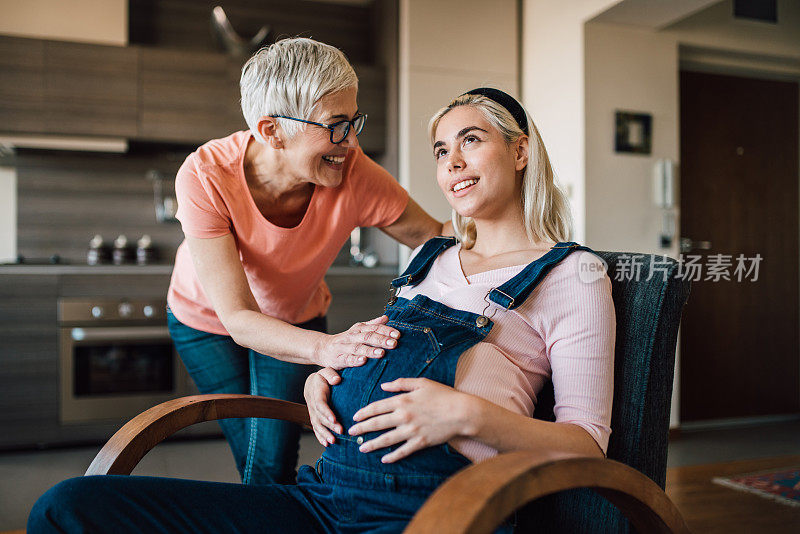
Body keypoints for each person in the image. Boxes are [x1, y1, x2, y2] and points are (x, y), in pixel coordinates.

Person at [28, 88, 615, 534]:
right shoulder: (432, 260)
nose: (452, 161)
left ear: (519, 151)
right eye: (441, 149)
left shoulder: (572, 273)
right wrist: (325, 381)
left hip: (437, 509)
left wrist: (467, 415)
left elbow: (588, 445)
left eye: (470, 140)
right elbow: (372, 352)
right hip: (322, 499)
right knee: (68, 508)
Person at [165, 37, 447, 486]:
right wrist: (329, 348)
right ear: (271, 130)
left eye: (354, 121)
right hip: (206, 323)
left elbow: (436, 237)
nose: (351, 142)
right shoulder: (205, 175)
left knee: (270, 462)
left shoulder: (354, 173)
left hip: (296, 316)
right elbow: (238, 317)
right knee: (259, 457)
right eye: (336, 125)